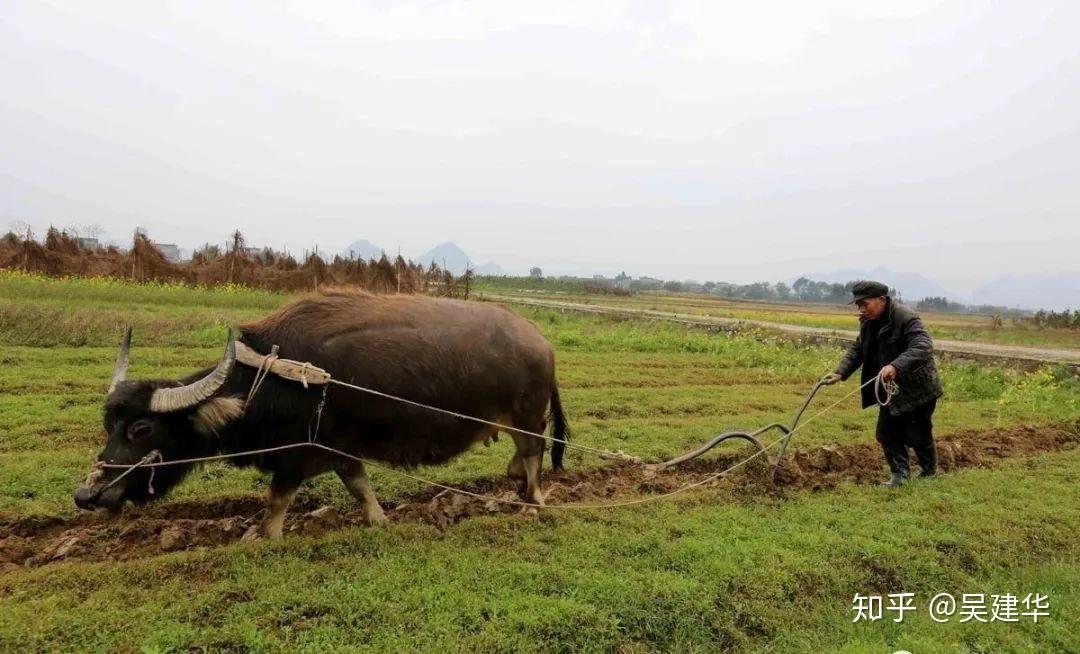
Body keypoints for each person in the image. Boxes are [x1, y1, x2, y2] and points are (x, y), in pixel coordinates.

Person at [822, 281, 944, 487]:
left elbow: (922, 346)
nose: (861, 309)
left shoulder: (906, 318)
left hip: (917, 388)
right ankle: (900, 475)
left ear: (881, 300)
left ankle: (929, 470)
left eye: (865, 304)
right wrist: (840, 372)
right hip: (890, 389)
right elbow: (859, 350)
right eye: (858, 305)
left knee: (917, 433)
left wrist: (896, 366)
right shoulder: (868, 322)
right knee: (886, 432)